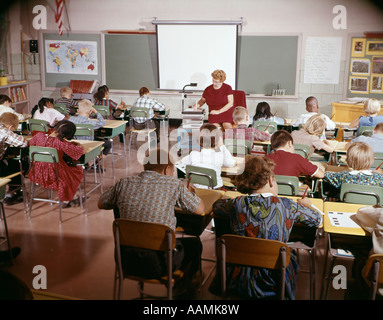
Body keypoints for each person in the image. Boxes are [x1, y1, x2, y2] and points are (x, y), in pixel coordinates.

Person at [210, 155, 322, 299]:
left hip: (238, 274)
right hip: (274, 277)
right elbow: (316, 219)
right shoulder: (287, 205)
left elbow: (216, 207)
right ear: (270, 180)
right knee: (291, 256)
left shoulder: (236, 204)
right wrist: (308, 205)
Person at [98, 147, 204, 294]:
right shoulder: (174, 185)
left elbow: (101, 203)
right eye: (172, 171)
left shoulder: (123, 183)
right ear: (167, 169)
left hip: (125, 261)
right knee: (194, 244)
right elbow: (200, 210)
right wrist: (191, 193)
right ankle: (184, 293)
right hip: (159, 264)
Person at [28, 120, 84, 204]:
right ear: (66, 136)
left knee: (68, 171)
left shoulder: (39, 136)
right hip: (55, 174)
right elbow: (78, 151)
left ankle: (69, 197)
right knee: (75, 172)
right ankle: (67, 198)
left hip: (37, 172)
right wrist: (79, 145)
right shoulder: (60, 143)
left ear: (55, 128)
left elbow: (30, 144)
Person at [177, 123, 236, 189]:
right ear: (217, 140)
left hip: (198, 190)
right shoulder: (219, 155)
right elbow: (231, 163)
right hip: (216, 191)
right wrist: (222, 146)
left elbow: (180, 162)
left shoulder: (193, 154)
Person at [0, 112, 28, 205]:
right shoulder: (5, 131)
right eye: (13, 129)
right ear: (10, 126)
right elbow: (24, 143)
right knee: (21, 164)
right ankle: (14, 192)